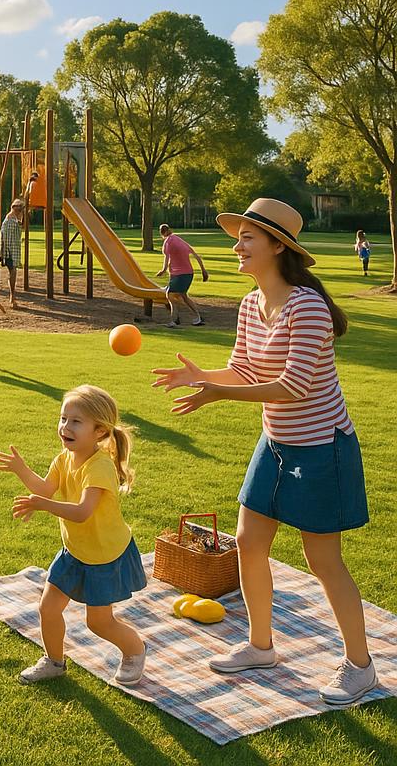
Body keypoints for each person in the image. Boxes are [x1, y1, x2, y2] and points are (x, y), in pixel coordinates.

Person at [152, 198, 375, 705]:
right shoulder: (251, 305)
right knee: (248, 544)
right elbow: (247, 373)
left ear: (278, 246)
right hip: (275, 443)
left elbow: (293, 386)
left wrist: (219, 392)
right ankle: (260, 645)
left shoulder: (307, 306)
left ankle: (360, 667)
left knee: (323, 560)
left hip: (322, 448)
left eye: (247, 238)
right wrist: (203, 376)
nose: (237, 246)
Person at [0, 385, 146, 686]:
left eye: (76, 421)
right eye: (63, 418)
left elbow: (81, 511)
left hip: (105, 556)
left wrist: (42, 506)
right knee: (48, 608)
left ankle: (135, 649)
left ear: (100, 431)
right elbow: (45, 489)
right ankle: (54, 662)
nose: (65, 427)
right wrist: (21, 470)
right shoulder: (64, 458)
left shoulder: (99, 467)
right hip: (75, 551)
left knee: (99, 622)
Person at [156, 224, 209, 327]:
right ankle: (197, 318)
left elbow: (167, 261)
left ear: (162, 233)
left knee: (169, 294)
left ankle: (174, 320)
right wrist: (203, 270)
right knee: (183, 295)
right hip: (188, 274)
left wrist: (163, 270)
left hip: (180, 274)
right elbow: (196, 256)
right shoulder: (180, 240)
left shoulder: (167, 242)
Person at [0, 198, 25, 309]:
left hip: (11, 251)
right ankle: (12, 297)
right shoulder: (10, 220)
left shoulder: (14, 219)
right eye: (20, 209)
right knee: (12, 272)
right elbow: (6, 238)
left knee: (13, 272)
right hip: (10, 252)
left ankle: (12, 297)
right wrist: (5, 253)